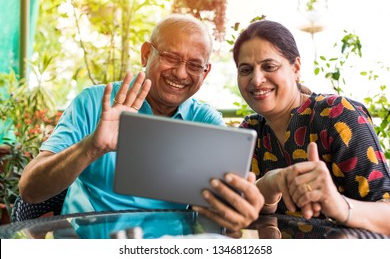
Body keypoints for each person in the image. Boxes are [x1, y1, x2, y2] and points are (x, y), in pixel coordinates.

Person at [19, 14, 264, 233]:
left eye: (194, 65)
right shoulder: (94, 102)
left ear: (206, 72)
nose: (180, 73)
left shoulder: (206, 121)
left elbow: (219, 210)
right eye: (171, 57)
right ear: (146, 54)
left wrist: (238, 206)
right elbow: (30, 190)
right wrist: (92, 147)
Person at [233, 19, 390, 236]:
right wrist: (268, 186)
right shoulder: (251, 131)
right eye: (246, 70)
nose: (256, 79)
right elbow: (237, 210)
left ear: (296, 69)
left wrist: (339, 205)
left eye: (269, 66)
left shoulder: (337, 114)